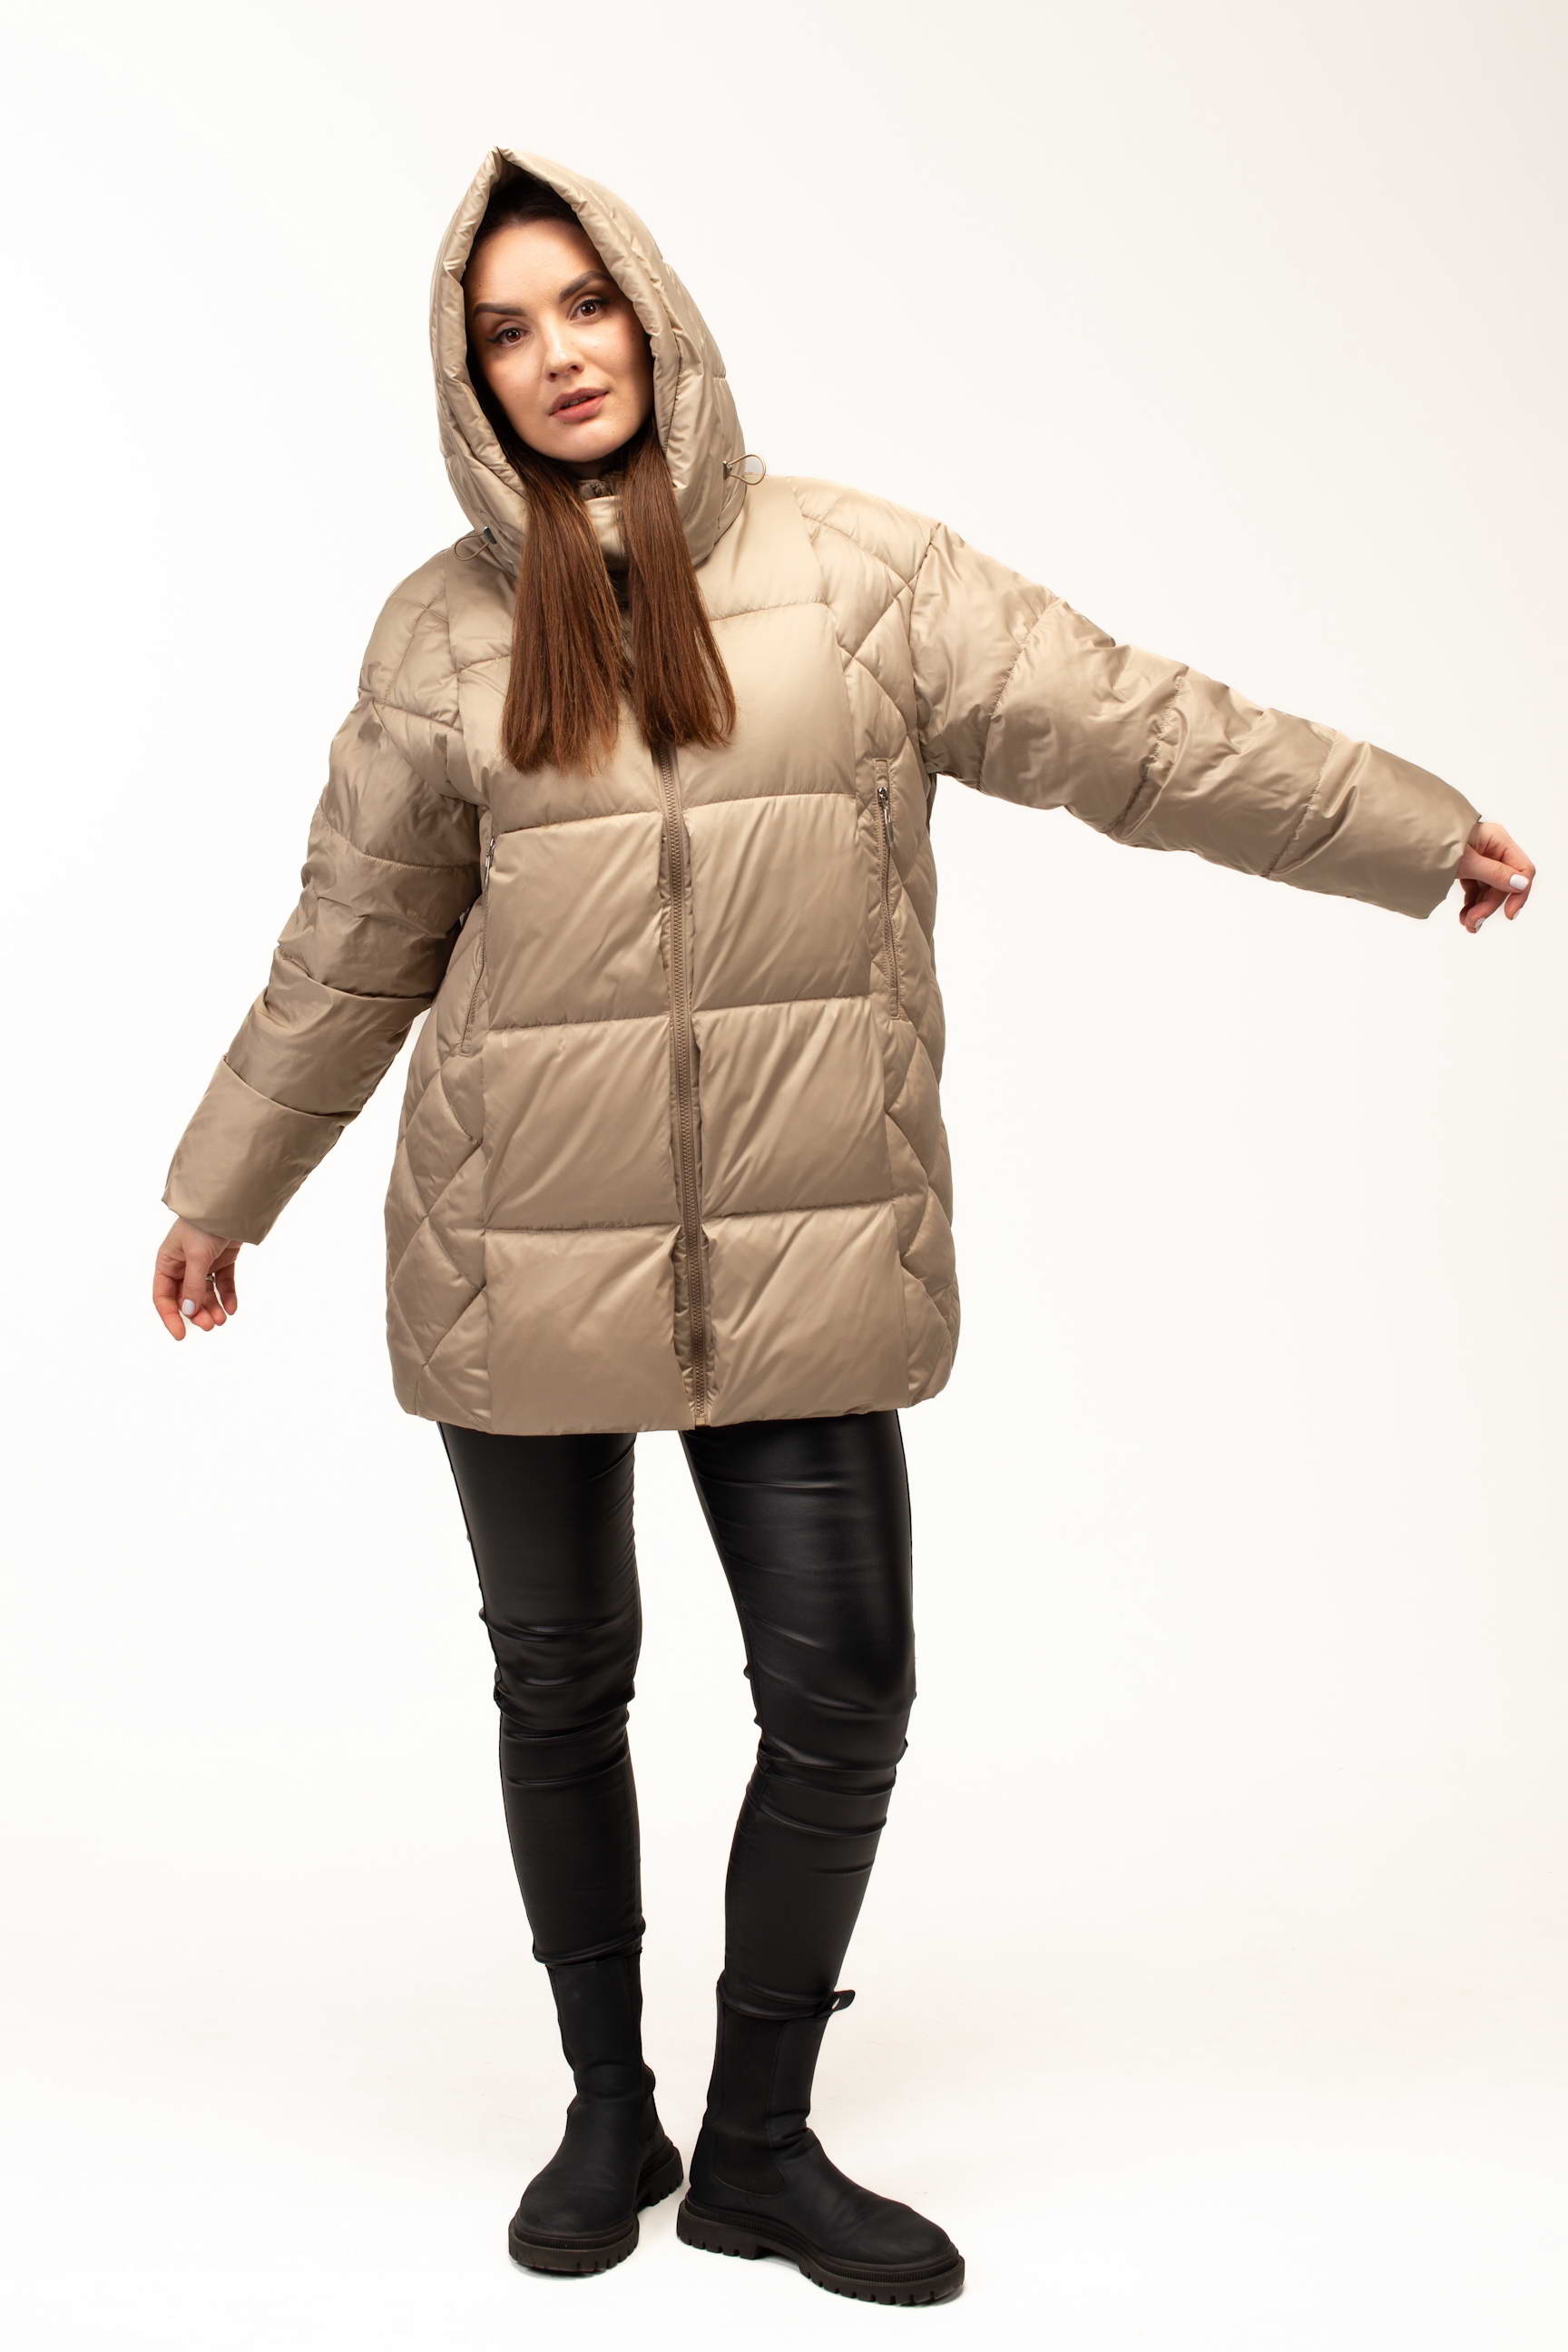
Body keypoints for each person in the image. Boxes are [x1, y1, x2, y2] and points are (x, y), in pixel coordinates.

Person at [152, 146, 1535, 2305]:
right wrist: (222, 1188)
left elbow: (1134, 729)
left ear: (653, 312)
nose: (558, 355)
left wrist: (1406, 829)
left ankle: (759, 2146)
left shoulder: (862, 574)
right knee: (560, 1686)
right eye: (506, 331)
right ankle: (606, 2112)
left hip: (800, 1250)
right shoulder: (441, 634)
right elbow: (355, 946)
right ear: (469, 377)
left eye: (583, 305)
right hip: (516, 1246)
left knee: (847, 1690)